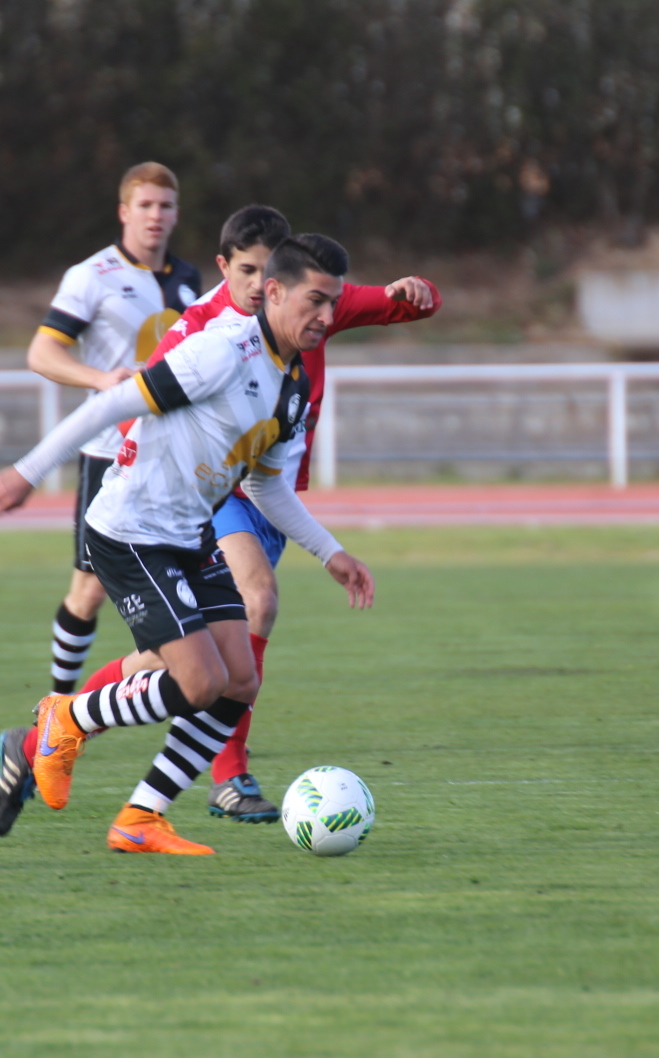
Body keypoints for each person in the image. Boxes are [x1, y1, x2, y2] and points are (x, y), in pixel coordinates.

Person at [0, 234, 375, 857]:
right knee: (198, 680)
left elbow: (266, 488)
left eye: (334, 304)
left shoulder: (292, 385)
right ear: (273, 292)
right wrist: (26, 473)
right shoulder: (221, 352)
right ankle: (64, 720)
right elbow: (111, 404)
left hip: (189, 535)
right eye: (315, 301)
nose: (326, 317)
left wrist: (331, 553)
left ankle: (141, 817)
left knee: (240, 681)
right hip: (130, 531)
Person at [48, 204, 439, 826]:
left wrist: (416, 293)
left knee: (186, 666)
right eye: (249, 272)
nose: (259, 287)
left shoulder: (308, 317)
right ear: (228, 268)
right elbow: (138, 401)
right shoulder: (210, 335)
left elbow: (402, 306)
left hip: (263, 491)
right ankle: (222, 775)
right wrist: (99, 464)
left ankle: (73, 744)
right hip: (206, 500)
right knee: (253, 611)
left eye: (269, 271)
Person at [27, 162, 202, 697]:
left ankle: (189, 686)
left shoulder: (189, 279)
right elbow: (42, 352)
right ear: (124, 212)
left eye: (165, 206)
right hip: (110, 452)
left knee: (189, 585)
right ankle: (58, 703)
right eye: (145, 205)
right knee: (89, 590)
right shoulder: (91, 276)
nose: (156, 216)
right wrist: (102, 380)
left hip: (172, 456)